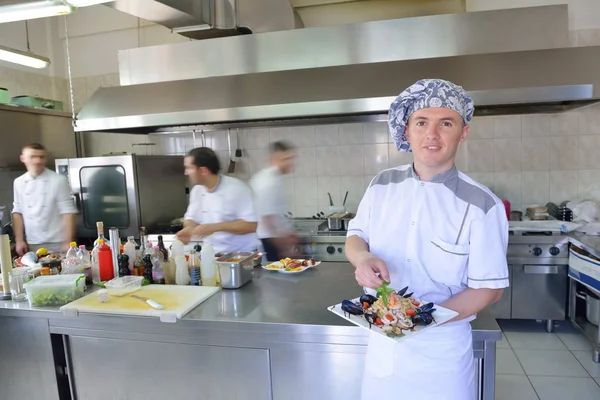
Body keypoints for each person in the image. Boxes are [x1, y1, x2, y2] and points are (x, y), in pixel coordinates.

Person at [345, 79, 509, 400]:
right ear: (408, 131)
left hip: (441, 354)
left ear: (463, 132)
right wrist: (362, 258)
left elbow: (490, 288)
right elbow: (356, 237)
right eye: (421, 123)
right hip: (383, 345)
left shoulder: (482, 205)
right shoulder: (382, 184)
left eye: (445, 123)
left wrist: (421, 321)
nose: (431, 134)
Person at [177, 147, 260, 253]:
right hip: (213, 255)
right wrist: (189, 229)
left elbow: (251, 225)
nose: (186, 172)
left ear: (203, 170)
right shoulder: (197, 191)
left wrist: (214, 227)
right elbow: (191, 219)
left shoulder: (238, 189)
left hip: (243, 255)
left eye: (189, 168)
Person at [12, 143, 77, 255]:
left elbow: (68, 213)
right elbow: (17, 212)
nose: (38, 161)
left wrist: (67, 242)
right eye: (33, 157)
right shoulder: (18, 182)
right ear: (23, 158)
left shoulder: (58, 180)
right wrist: (19, 240)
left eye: (41, 157)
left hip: (58, 242)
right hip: (32, 242)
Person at [249, 141, 298, 261]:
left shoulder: (273, 179)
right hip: (268, 242)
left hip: (272, 239)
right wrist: (284, 248)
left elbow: (276, 213)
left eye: (291, 158)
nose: (290, 162)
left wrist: (287, 232)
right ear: (273, 159)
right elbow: (267, 219)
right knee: (274, 277)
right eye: (285, 159)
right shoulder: (268, 183)